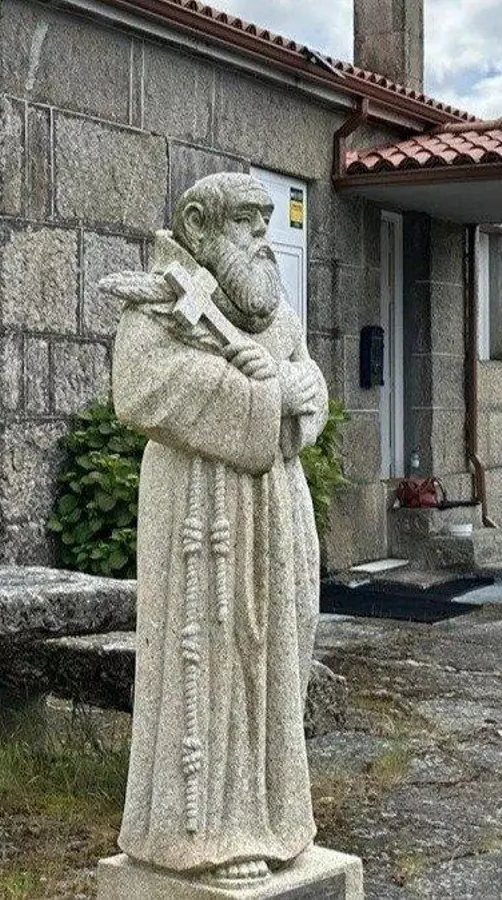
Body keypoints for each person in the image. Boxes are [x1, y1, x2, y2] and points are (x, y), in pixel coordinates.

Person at [102, 172, 329, 884]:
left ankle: (277, 820)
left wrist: (303, 393)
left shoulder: (273, 312)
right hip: (202, 514)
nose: (263, 236)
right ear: (199, 226)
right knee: (214, 656)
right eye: (246, 223)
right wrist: (265, 397)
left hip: (276, 508)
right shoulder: (164, 305)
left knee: (277, 656)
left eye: (267, 223)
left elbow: (307, 382)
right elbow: (142, 389)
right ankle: (211, 837)